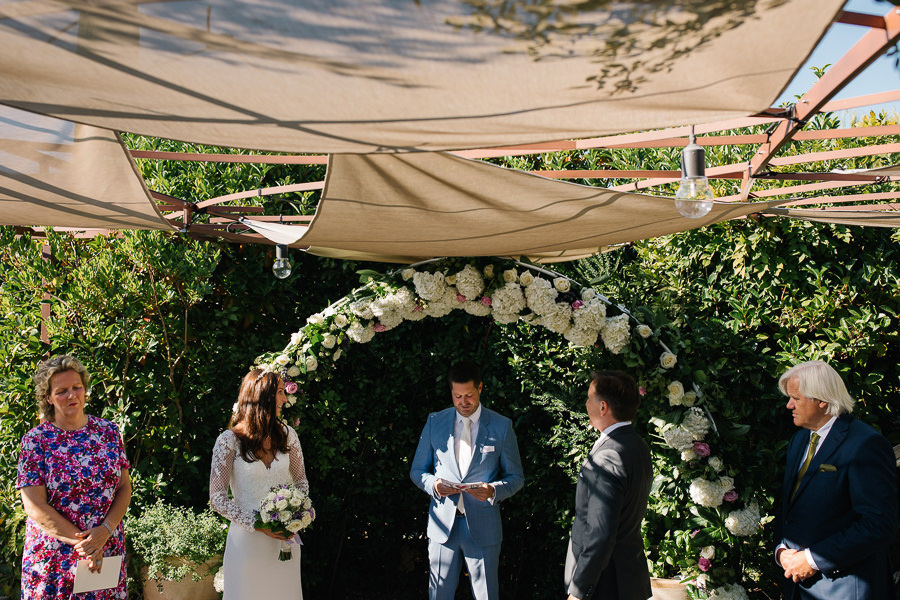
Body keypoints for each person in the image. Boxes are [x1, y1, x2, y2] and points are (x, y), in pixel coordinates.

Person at [774, 360, 897, 599]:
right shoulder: (799, 441)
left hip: (845, 587)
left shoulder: (866, 444)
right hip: (799, 587)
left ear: (822, 400)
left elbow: (878, 524)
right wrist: (781, 551)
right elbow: (788, 507)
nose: (789, 405)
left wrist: (812, 559)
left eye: (796, 398)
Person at [17, 355, 132, 599]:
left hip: (106, 547)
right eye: (62, 391)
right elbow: (34, 505)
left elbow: (124, 487)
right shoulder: (36, 440)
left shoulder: (108, 432)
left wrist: (105, 531)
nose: (72, 395)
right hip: (54, 556)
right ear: (48, 398)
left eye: (76, 387)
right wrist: (87, 545)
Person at [409, 360, 524, 600]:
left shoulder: (502, 426)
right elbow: (418, 471)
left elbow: (516, 478)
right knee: (439, 595)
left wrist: (493, 490)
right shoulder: (435, 422)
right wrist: (434, 486)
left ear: (480, 388)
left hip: (483, 527)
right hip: (443, 527)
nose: (463, 402)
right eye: (457, 396)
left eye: (469, 395)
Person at [210, 369, 309, 599]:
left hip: (284, 541)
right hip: (246, 542)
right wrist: (258, 524)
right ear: (262, 396)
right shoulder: (229, 441)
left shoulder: (289, 435)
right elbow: (217, 497)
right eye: (280, 392)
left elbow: (301, 481)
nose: (284, 399)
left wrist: (293, 515)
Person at [564, 370, 652, 600]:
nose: (585, 404)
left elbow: (600, 533)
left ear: (603, 407)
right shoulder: (638, 446)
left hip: (607, 584)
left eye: (589, 398)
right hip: (630, 578)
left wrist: (579, 590)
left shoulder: (608, 456)